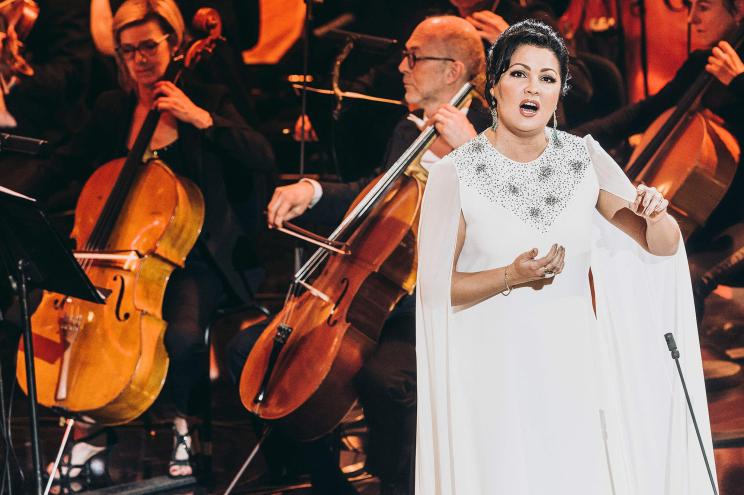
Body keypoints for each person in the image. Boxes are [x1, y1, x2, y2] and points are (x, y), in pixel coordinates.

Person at [416, 19, 715, 494]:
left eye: (548, 77)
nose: (533, 87)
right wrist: (510, 276)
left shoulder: (582, 159)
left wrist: (657, 214)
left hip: (571, 362)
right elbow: (435, 287)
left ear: (559, 94)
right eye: (519, 74)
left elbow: (661, 243)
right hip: (491, 369)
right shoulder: (456, 172)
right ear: (493, 87)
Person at [227, 15, 489, 495]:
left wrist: (472, 152)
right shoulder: (407, 130)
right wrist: (311, 190)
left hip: (435, 306)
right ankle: (324, 482)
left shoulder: (493, 133)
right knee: (253, 353)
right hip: (368, 296)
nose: (401, 67)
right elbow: (374, 194)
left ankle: (400, 486)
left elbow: (515, 218)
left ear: (453, 70)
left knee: (384, 380)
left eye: (414, 57)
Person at [43, 0, 274, 489]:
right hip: (120, 256)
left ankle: (183, 424)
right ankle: (95, 427)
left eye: (150, 46)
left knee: (184, 338)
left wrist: (200, 118)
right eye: (129, 51)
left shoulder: (206, 94)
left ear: (174, 42)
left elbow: (261, 156)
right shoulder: (114, 107)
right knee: (85, 330)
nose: (140, 59)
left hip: (192, 256)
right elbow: (64, 164)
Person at [572, 0, 744, 320]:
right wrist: (573, 141)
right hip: (701, 208)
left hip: (735, 217)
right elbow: (645, 112)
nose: (692, 19)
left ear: (737, 12)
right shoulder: (704, 63)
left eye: (703, 8)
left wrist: (738, 83)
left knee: (685, 274)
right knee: (623, 250)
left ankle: (679, 366)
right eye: (690, 7)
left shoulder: (733, 72)